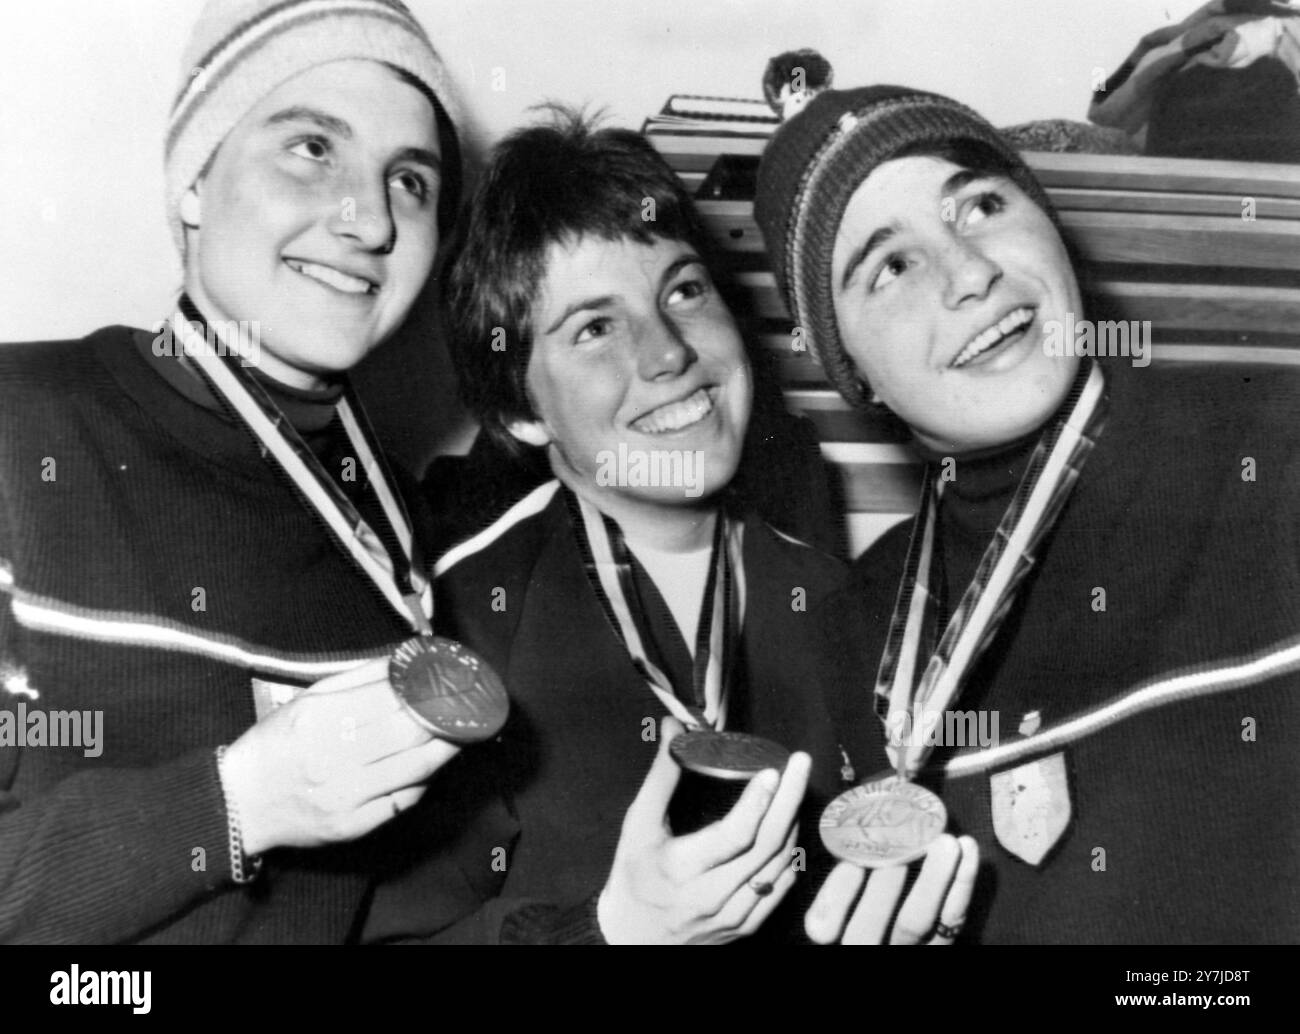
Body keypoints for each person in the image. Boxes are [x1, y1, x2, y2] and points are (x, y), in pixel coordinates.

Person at [364, 109, 978, 944]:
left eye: (684, 291)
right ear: (520, 406)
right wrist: (608, 932)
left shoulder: (848, 606)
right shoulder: (457, 630)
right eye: (594, 328)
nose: (666, 352)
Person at [754, 74, 1300, 943]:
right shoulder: (852, 636)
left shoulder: (1276, 449)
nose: (968, 273)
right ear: (851, 373)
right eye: (890, 266)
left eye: (978, 206)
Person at [0, 0, 498, 943]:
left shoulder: (390, 523)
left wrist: (615, 922)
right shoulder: (16, 431)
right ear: (193, 181)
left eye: (410, 181)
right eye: (312, 147)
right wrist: (236, 805)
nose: (370, 221)